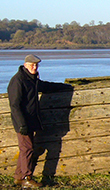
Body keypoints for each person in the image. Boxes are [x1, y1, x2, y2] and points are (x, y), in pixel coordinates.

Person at [7, 54, 73, 188]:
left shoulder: (32, 79)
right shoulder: (18, 80)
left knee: (25, 148)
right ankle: (26, 177)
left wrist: (65, 86)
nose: (34, 67)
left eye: (36, 65)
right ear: (25, 65)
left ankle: (19, 176)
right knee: (27, 148)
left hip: (30, 121)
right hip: (23, 122)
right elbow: (14, 105)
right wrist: (22, 124)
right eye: (32, 65)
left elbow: (44, 86)